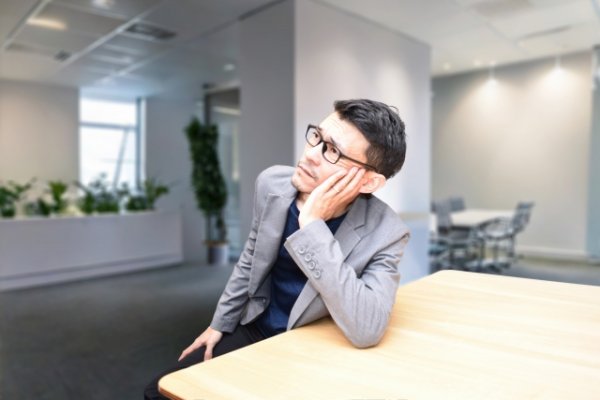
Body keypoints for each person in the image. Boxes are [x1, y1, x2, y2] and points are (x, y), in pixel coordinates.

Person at [144, 98, 410, 399]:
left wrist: (312, 227)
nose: (310, 154)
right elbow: (250, 258)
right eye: (316, 137)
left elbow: (367, 328)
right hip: (256, 329)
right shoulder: (272, 185)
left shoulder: (387, 232)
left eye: (332, 151)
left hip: (313, 348)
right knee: (158, 392)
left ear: (369, 182)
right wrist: (220, 323)